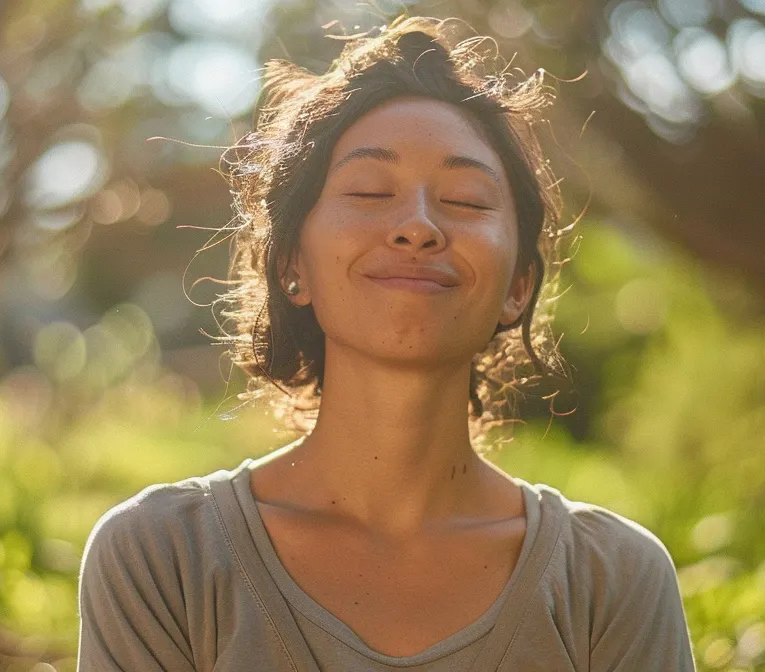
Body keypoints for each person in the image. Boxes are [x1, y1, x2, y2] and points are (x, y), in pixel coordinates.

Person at [77, 16, 696, 671]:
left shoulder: (613, 580)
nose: (418, 227)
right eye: (370, 191)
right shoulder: (164, 557)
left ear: (518, 285)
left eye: (464, 199)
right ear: (292, 264)